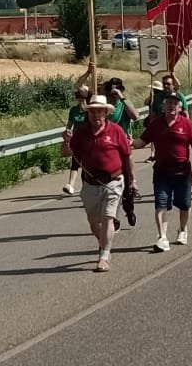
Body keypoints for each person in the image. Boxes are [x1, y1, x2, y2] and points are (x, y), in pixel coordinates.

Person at [67, 94, 135, 272]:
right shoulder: (81, 132)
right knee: (93, 221)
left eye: (99, 112)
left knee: (108, 217)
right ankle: (103, 242)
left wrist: (131, 181)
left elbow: (127, 157)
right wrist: (66, 141)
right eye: (92, 112)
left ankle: (104, 255)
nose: (96, 116)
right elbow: (67, 153)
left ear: (106, 113)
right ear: (88, 113)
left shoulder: (116, 131)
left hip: (113, 181)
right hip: (89, 183)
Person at [138, 92, 192, 250]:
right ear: (163, 106)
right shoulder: (156, 124)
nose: (171, 106)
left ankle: (183, 229)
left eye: (175, 103)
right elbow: (141, 142)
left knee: (184, 205)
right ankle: (162, 237)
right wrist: (127, 142)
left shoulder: (187, 124)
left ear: (179, 107)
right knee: (161, 204)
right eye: (169, 103)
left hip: (182, 171)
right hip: (162, 171)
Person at [61, 83, 92, 194]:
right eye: (78, 97)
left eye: (82, 97)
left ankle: (86, 186)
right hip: (77, 139)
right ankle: (71, 185)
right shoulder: (73, 110)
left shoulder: (90, 110)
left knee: (86, 164)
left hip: (88, 139)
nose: (80, 99)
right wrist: (68, 131)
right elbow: (69, 124)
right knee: (75, 162)